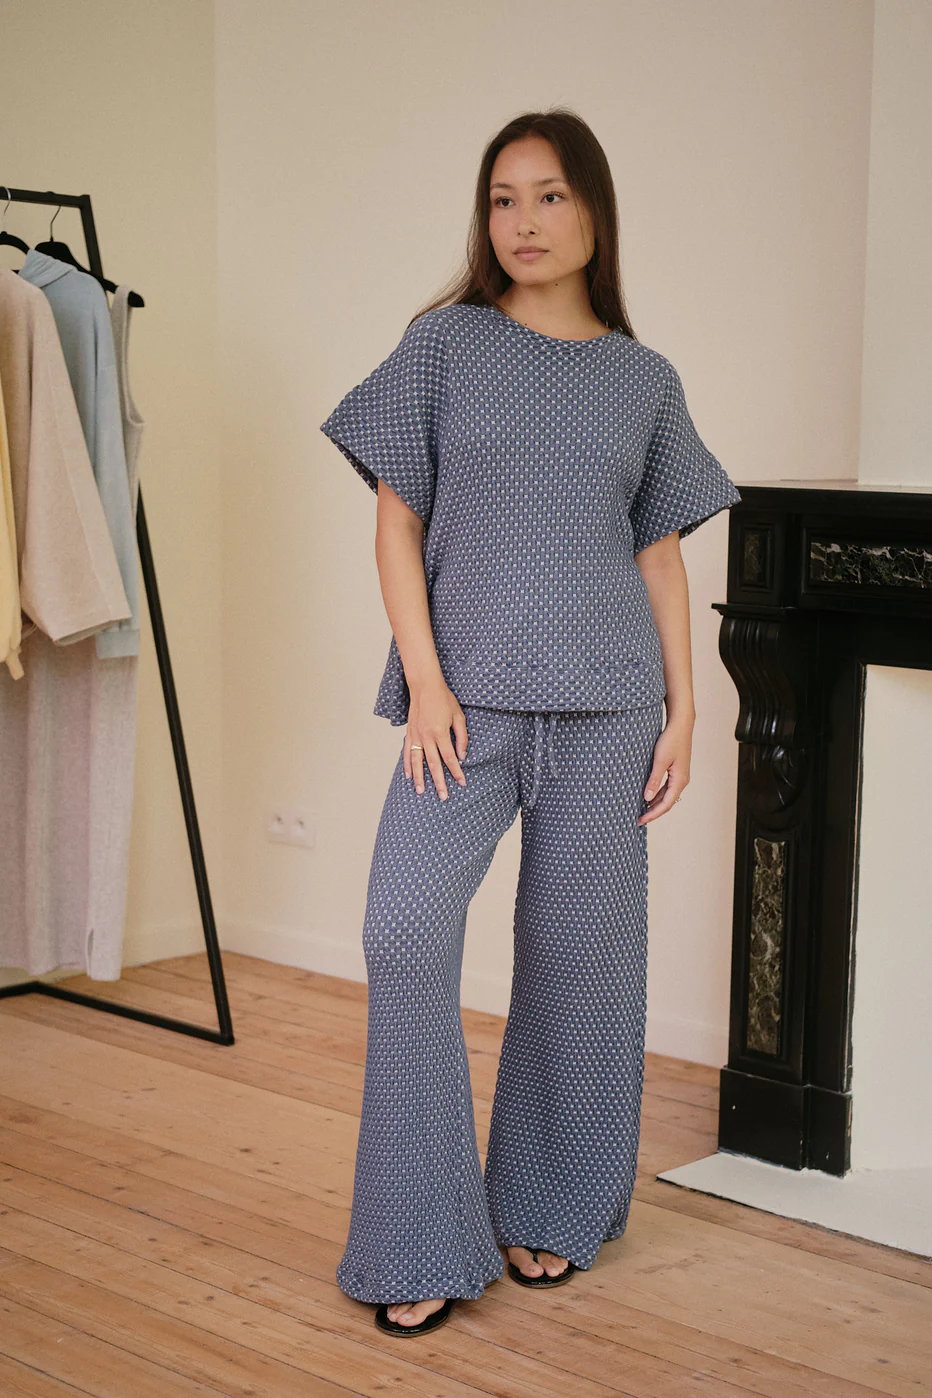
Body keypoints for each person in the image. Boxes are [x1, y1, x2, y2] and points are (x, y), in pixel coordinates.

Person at [319, 107, 742, 1339]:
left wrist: (684, 706)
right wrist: (425, 683)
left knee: (578, 963)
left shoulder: (643, 380)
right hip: (465, 705)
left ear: (593, 210)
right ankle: (418, 1234)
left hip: (610, 708)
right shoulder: (443, 345)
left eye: (548, 195)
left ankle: (550, 1205)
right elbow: (395, 520)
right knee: (403, 932)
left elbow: (656, 555)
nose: (522, 220)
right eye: (502, 199)